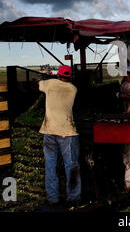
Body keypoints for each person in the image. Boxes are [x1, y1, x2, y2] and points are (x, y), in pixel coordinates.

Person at [38, 65, 81, 205]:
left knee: (50, 166)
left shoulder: (49, 84)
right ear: (69, 77)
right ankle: (73, 198)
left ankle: (52, 198)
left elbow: (37, 85)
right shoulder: (73, 89)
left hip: (49, 131)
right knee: (72, 166)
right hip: (67, 133)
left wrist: (46, 76)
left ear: (58, 75)